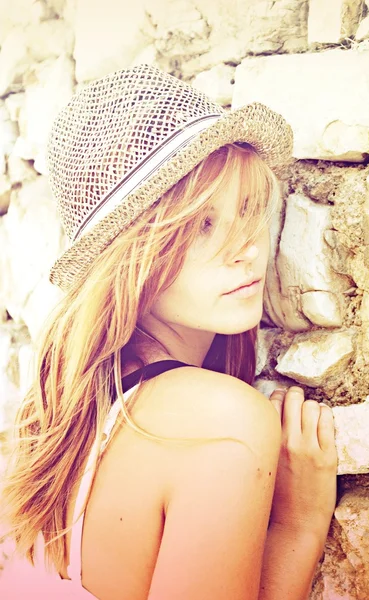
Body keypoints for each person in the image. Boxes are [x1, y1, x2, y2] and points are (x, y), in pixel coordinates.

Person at [0, 64, 337, 599]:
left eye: (248, 210)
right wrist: (299, 524)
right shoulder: (221, 418)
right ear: (131, 255)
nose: (244, 247)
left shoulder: (52, 410)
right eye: (201, 224)